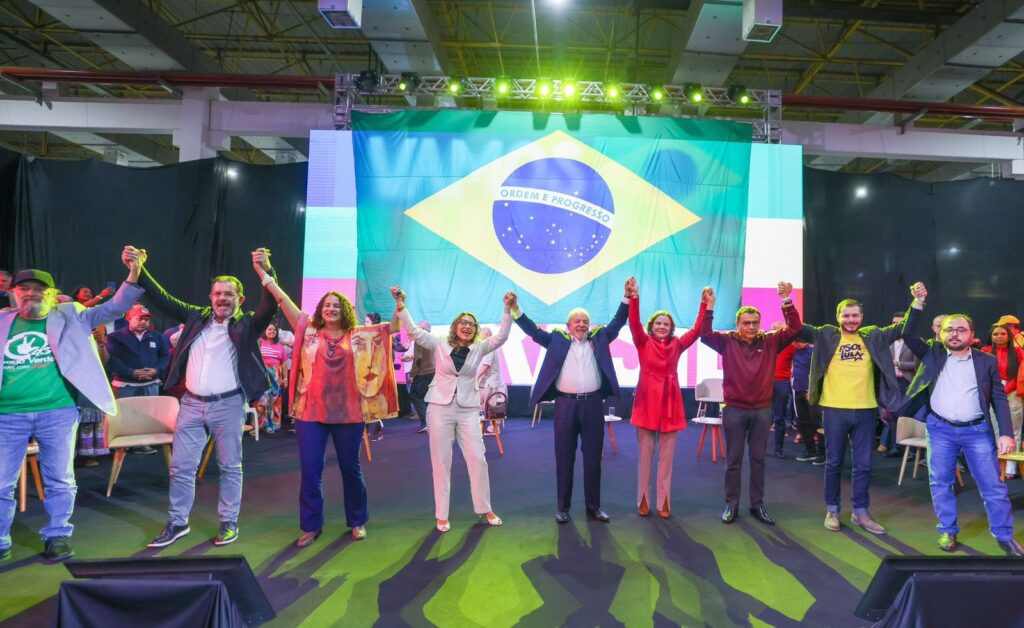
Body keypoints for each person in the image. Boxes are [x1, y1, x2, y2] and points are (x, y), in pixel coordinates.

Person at [0, 258, 144, 563]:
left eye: (39, 289)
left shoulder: (70, 314)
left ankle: (58, 535)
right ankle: (0, 540)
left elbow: (113, 308)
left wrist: (133, 272)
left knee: (61, 478)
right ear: (13, 292)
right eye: (24, 288)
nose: (31, 294)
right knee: (1, 482)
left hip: (57, 412)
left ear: (52, 294)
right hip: (6, 415)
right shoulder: (2, 321)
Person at [135, 245, 278, 549]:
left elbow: (271, 305)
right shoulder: (196, 318)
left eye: (229, 294)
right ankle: (178, 522)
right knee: (181, 468)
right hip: (190, 404)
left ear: (240, 299)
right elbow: (160, 297)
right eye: (218, 294)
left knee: (229, 467)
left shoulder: (248, 324)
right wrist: (139, 267)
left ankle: (228, 522)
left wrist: (265, 271)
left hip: (228, 405)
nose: (222, 298)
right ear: (210, 298)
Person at [257, 257, 370, 545]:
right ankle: (311, 525)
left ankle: (357, 520)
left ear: (344, 310)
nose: (330, 309)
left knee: (351, 469)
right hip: (310, 412)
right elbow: (282, 300)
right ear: (321, 309)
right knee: (310, 470)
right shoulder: (307, 328)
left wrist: (400, 307)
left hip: (349, 413)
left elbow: (391, 330)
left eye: (336, 305)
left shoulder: (356, 336)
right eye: (326, 305)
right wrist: (265, 272)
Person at [798, 284, 924, 535]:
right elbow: (797, 328)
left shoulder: (874, 335)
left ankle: (861, 513)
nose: (851, 320)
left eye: (855, 315)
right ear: (838, 317)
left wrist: (917, 302)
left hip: (866, 411)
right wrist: (786, 301)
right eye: (846, 315)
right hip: (834, 410)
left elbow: (903, 328)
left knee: (864, 465)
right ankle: (832, 510)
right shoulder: (826, 334)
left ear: (861, 317)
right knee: (833, 463)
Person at [902, 313, 1024, 556]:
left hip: (977, 430)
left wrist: (1007, 434)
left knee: (993, 486)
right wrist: (917, 305)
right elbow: (906, 333)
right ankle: (947, 529)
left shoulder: (986, 361)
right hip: (940, 430)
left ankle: (1004, 535)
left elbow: (999, 398)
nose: (954, 334)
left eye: (960, 329)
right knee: (940, 482)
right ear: (940, 333)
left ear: (972, 335)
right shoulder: (932, 354)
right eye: (949, 329)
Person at [391, 285, 510, 532]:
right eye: (463, 322)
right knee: (441, 461)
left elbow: (502, 337)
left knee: (478, 458)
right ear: (456, 325)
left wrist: (508, 309)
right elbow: (413, 331)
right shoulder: (439, 343)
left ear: (476, 330)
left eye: (472, 324)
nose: (467, 326)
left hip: (467, 408)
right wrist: (401, 304)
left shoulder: (480, 347)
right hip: (439, 408)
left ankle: (484, 508)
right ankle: (441, 514)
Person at [514, 282, 630, 524]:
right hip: (565, 406)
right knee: (564, 457)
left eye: (585, 321)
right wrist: (516, 309)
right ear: (568, 326)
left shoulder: (600, 338)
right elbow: (533, 332)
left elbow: (618, 322)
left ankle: (594, 507)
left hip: (593, 405)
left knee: (593, 459)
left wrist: (627, 298)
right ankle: (563, 508)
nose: (581, 324)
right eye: (576, 321)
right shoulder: (556, 340)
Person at [701, 283, 800, 526]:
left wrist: (786, 299)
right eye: (746, 323)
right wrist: (709, 307)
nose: (751, 327)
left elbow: (795, 328)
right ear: (738, 324)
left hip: (762, 410)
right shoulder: (727, 342)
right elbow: (704, 334)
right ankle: (731, 504)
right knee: (733, 461)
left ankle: (757, 505)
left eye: (755, 322)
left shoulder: (770, 341)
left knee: (758, 460)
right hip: (734, 409)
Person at [627, 277, 708, 518]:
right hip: (646, 402)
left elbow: (696, 330)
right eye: (658, 323)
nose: (662, 326)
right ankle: (643, 499)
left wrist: (704, 305)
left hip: (671, 403)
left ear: (671, 328)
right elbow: (633, 322)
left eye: (666, 324)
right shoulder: (642, 341)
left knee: (667, 459)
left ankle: (664, 502)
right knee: (645, 457)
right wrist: (634, 296)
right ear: (652, 326)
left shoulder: (678, 344)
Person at [981, 323, 1024, 478]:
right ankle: (998, 464)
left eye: (1002, 334)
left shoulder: (1018, 352)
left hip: (1013, 393)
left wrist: (1005, 389)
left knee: (1014, 431)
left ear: (1009, 336)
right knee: (995, 429)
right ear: (991, 336)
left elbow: (1020, 374)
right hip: (991, 393)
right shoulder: (984, 352)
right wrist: (996, 391)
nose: (999, 336)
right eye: (995, 334)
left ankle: (1011, 468)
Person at [106, 304, 171, 398]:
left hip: (151, 385)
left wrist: (156, 370)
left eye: (146, 319)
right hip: (125, 386)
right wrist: (131, 372)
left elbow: (164, 356)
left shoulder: (157, 336)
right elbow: (111, 359)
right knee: (126, 412)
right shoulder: (115, 337)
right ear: (129, 318)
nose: (144, 322)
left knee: (150, 412)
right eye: (139, 319)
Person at [878, 311, 919, 456]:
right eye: (894, 323)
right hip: (890, 383)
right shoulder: (888, 342)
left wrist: (899, 364)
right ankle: (896, 447)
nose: (896, 325)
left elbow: (917, 364)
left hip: (906, 383)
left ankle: (910, 449)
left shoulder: (915, 341)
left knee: (905, 416)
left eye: (900, 323)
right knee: (892, 416)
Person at [790, 340, 824, 464]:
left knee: (818, 423)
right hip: (798, 390)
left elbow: (822, 372)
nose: (796, 343)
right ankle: (811, 451)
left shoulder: (815, 352)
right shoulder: (795, 351)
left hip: (812, 392)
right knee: (803, 422)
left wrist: (814, 388)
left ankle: (822, 454)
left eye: (799, 340)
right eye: (795, 341)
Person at [254, 322, 288, 433]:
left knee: (274, 401)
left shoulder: (280, 347)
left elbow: (284, 364)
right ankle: (258, 426)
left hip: (276, 376)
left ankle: (272, 425)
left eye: (274, 330)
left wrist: (285, 379)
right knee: (261, 400)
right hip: (262, 374)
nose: (272, 331)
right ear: (265, 331)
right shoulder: (259, 342)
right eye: (269, 329)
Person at [771, 321, 797, 459]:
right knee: (762, 416)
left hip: (782, 383)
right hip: (766, 383)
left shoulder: (791, 346)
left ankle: (778, 449)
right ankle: (757, 447)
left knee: (779, 417)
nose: (781, 333)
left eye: (783, 331)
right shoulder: (767, 343)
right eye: (778, 331)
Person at [476, 327, 507, 435]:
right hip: (486, 382)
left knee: (490, 406)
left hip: (489, 382)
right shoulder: (486, 346)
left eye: (480, 333)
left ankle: (494, 428)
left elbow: (486, 366)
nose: (478, 335)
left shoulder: (489, 345)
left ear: (487, 334)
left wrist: (475, 378)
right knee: (484, 406)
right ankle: (487, 427)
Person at [406, 320, 435, 433]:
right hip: (432, 371)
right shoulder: (432, 339)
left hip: (422, 373)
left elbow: (418, 359)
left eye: (418, 327)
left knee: (415, 396)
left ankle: (426, 422)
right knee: (428, 398)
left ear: (422, 329)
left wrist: (412, 374)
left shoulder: (420, 340)